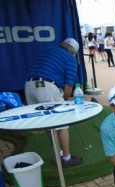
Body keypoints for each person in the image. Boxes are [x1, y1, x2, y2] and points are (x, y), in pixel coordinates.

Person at [25, 38, 84, 168]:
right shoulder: (70, 59)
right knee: (62, 124)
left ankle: (59, 155)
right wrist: (65, 101)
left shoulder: (48, 50)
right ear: (74, 52)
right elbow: (68, 86)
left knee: (48, 123)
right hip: (46, 87)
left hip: (29, 86)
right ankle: (67, 159)